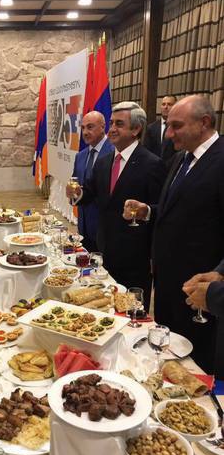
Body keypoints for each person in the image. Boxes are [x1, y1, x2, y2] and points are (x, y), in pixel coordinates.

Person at [123, 95, 224, 375]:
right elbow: (177, 210)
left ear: (204, 122)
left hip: (199, 289)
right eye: (168, 125)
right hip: (167, 282)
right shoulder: (181, 158)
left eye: (176, 126)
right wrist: (148, 211)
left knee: (195, 364)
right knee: (170, 354)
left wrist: (218, 275)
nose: (168, 134)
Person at [67, 102, 166, 310]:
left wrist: (145, 211)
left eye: (119, 124)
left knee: (131, 311)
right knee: (107, 306)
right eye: (111, 123)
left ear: (136, 129)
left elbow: (161, 209)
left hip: (135, 256)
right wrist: (77, 194)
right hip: (105, 249)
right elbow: (90, 193)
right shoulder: (104, 162)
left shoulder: (152, 164)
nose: (112, 129)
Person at [71, 111, 113, 250]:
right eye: (83, 128)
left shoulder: (114, 153)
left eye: (90, 127)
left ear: (103, 127)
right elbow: (76, 185)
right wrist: (72, 194)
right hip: (84, 227)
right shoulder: (80, 156)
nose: (85, 132)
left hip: (105, 229)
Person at [143, 95, 177, 164]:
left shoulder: (179, 127)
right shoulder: (151, 128)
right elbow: (146, 151)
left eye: (169, 104)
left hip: (173, 166)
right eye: (163, 104)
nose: (166, 107)